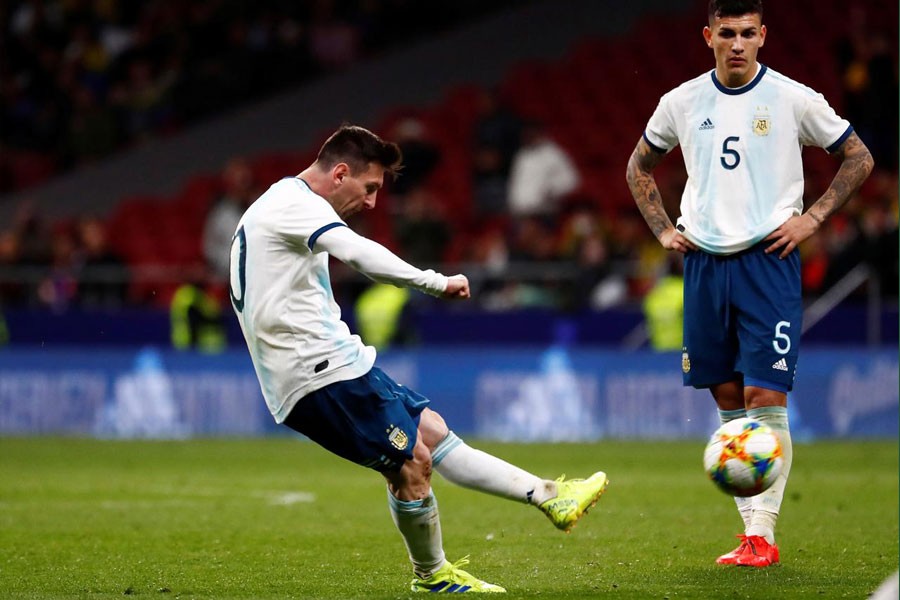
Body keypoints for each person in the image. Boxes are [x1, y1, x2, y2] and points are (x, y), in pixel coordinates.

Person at [229, 124, 608, 593]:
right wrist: (434, 281)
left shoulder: (277, 202)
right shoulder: (296, 205)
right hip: (317, 371)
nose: (371, 203)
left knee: (433, 431)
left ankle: (549, 495)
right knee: (411, 464)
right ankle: (433, 576)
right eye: (369, 189)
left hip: (333, 362)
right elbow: (358, 252)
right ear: (341, 173)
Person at [625, 0, 873, 568]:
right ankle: (750, 535)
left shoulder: (792, 98)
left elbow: (858, 156)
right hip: (705, 264)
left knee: (766, 396)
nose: (736, 44)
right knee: (728, 397)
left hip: (768, 259)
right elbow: (638, 166)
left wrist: (811, 219)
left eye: (746, 34)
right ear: (707, 35)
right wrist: (664, 230)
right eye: (726, 34)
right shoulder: (681, 102)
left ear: (763, 36)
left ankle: (762, 533)